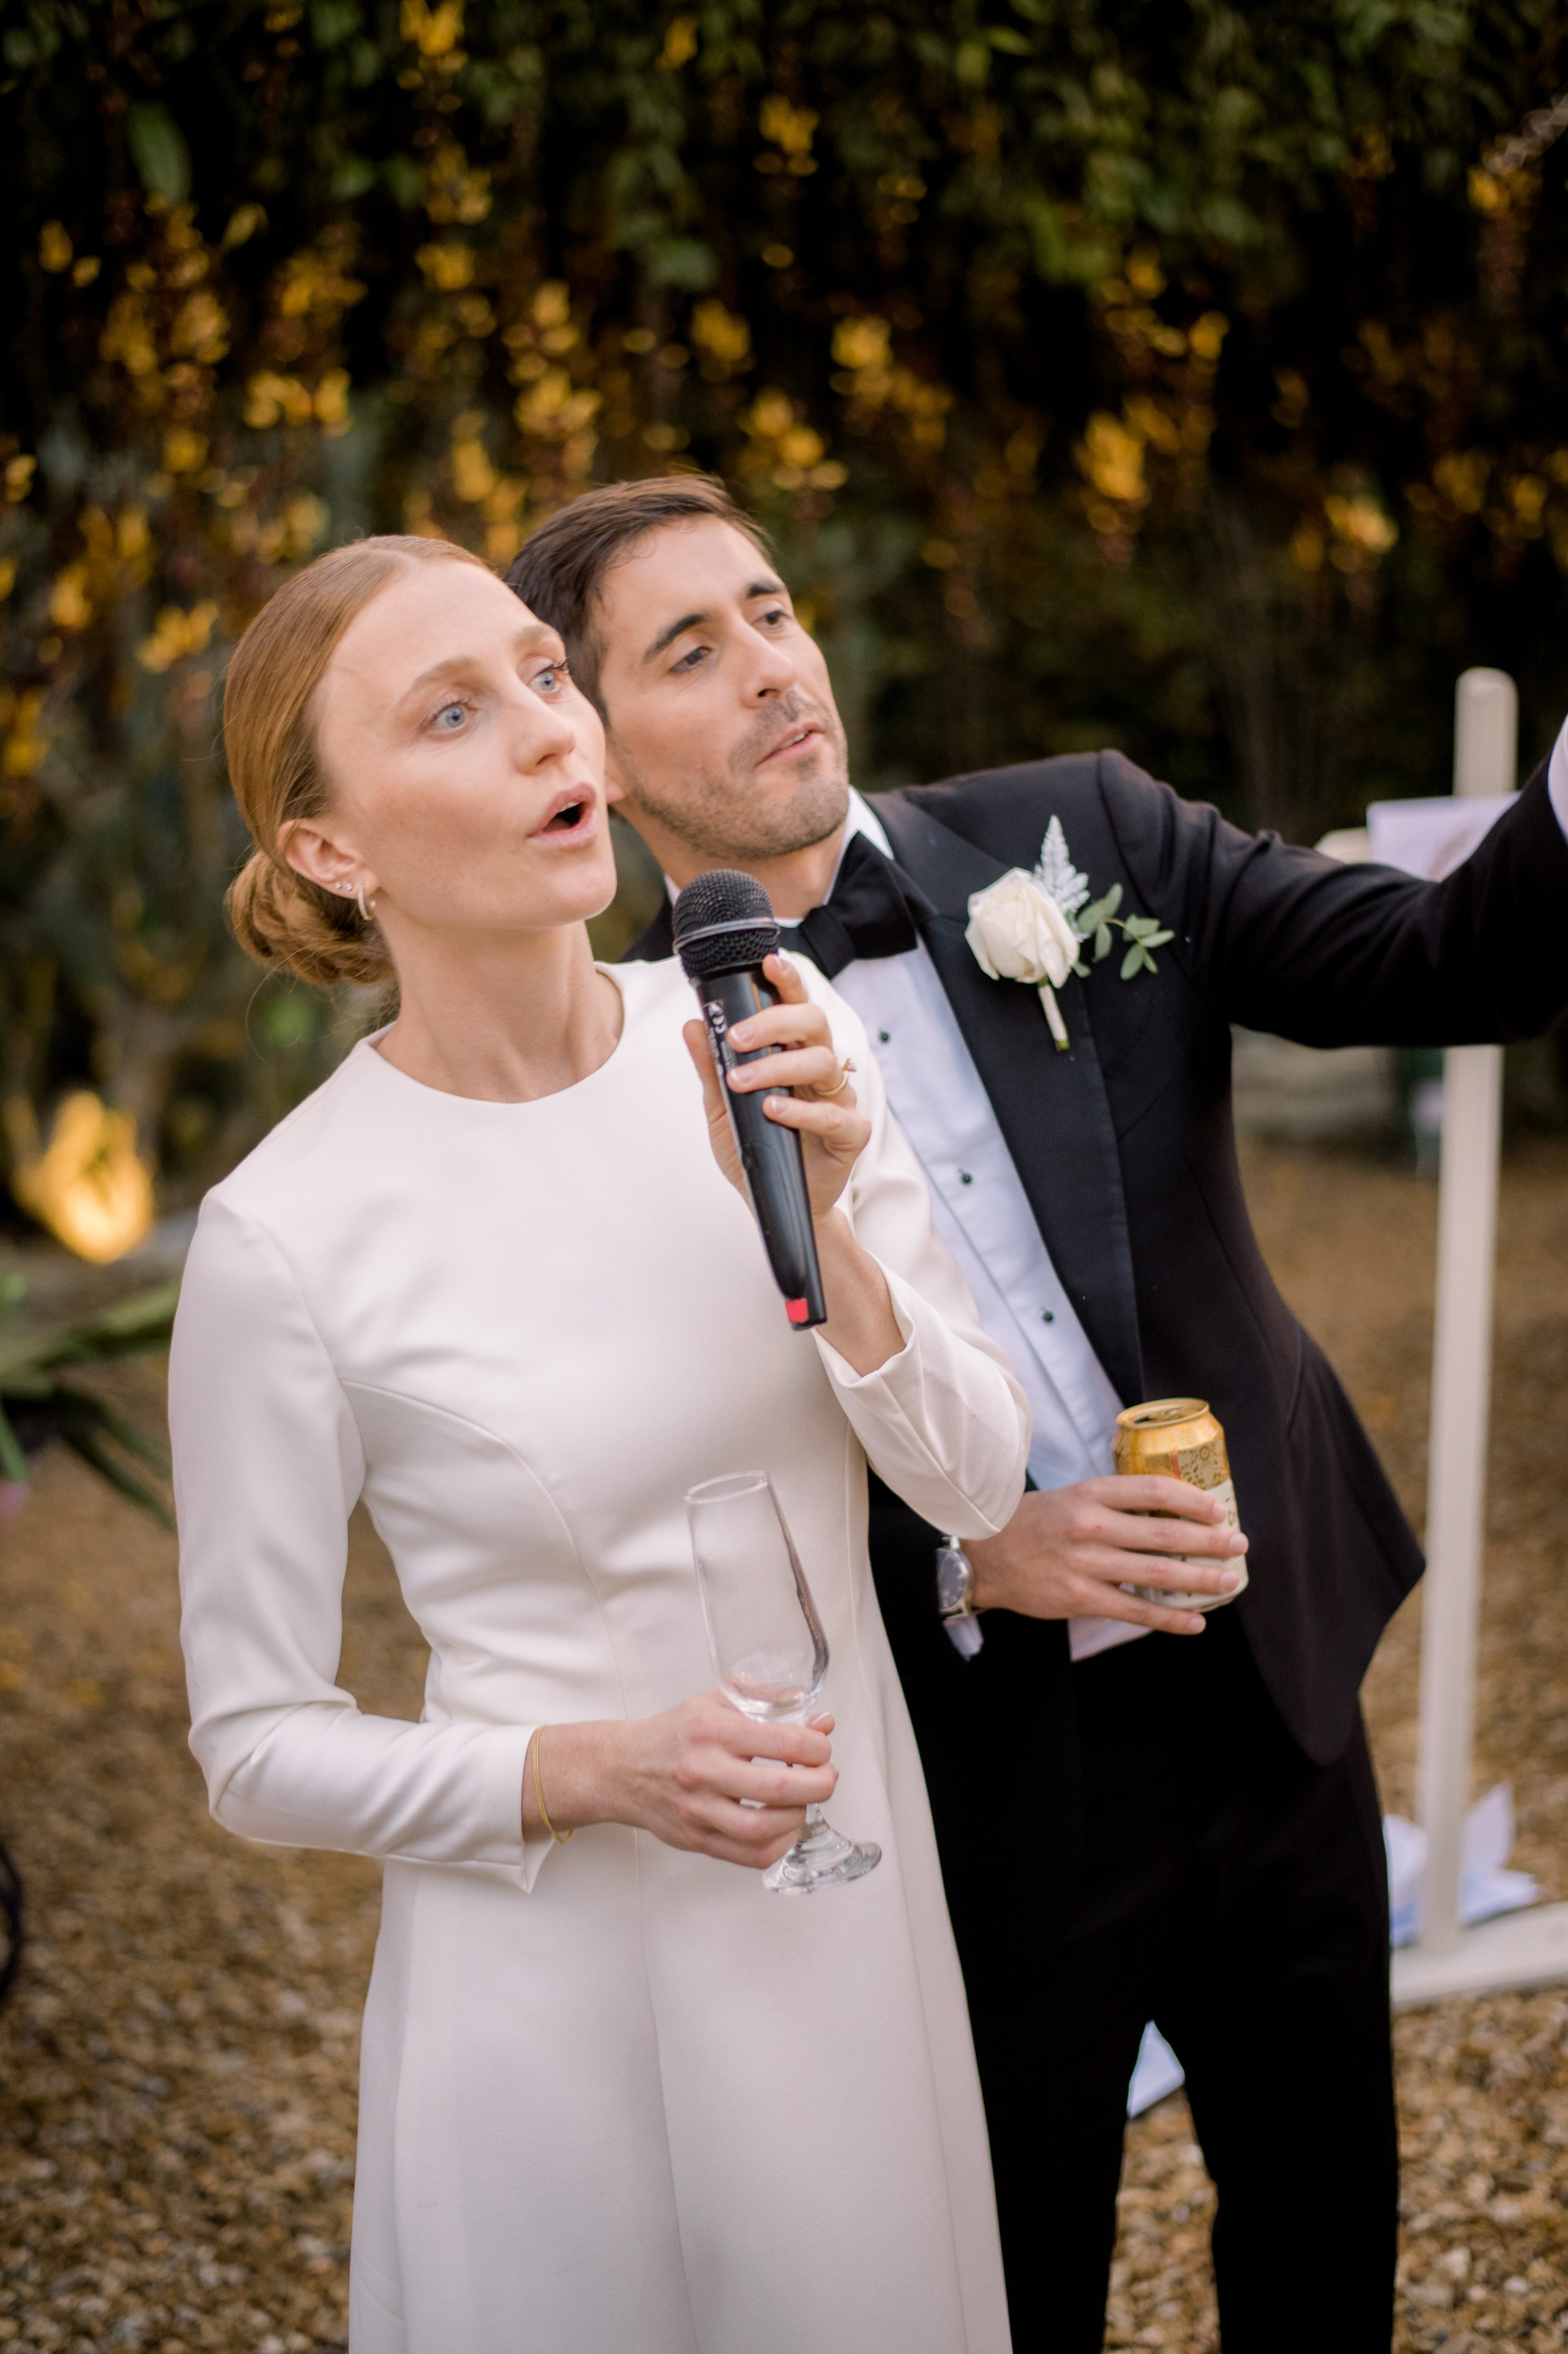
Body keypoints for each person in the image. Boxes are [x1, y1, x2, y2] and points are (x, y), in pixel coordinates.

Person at [507, 475, 1568, 2354]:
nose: (771, 666)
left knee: (1329, 2244)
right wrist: (971, 1554)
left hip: (1270, 1677)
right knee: (1009, 2288)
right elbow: (672, 1496)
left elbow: (1448, 958)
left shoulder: (1080, 835)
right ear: (587, 740)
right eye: (691, 647)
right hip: (972, 1764)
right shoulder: (602, 1084)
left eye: (770, 610)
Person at [169, 534, 1033, 2354]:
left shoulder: (763, 1033)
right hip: (549, 1988)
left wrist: (827, 1235)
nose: (548, 736)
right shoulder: (288, 1235)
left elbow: (978, 1480)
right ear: (330, 846)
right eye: (457, 712)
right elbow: (254, 1744)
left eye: (547, 680)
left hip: (845, 1931)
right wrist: (581, 1770)